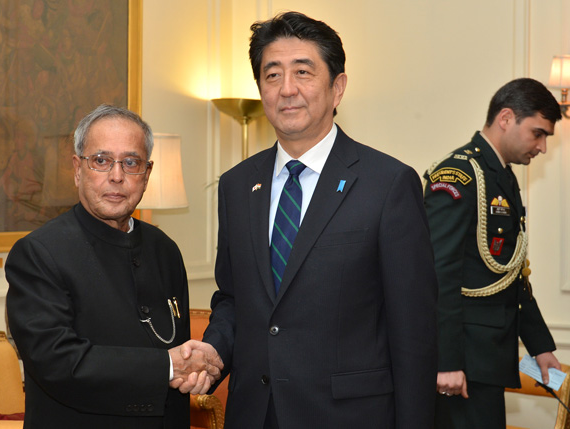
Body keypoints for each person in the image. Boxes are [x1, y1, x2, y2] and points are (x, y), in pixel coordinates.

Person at [196, 11, 438, 428]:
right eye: (272, 75)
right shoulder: (237, 185)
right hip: (255, 414)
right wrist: (214, 349)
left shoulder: (388, 184)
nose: (287, 89)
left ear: (337, 87)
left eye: (303, 72)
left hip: (348, 416)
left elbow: (413, 329)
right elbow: (235, 297)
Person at [5, 104, 223, 428]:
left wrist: (195, 370)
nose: (117, 176)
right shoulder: (38, 253)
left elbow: (177, 355)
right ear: (78, 169)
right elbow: (60, 363)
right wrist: (168, 367)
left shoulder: (165, 251)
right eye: (102, 161)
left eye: (130, 162)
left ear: (146, 175)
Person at [423, 78, 562, 428]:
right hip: (463, 365)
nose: (542, 147)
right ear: (505, 118)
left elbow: (510, 274)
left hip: (487, 358)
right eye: (538, 133)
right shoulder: (459, 175)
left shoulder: (502, 176)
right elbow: (440, 273)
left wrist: (539, 345)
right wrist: (447, 362)